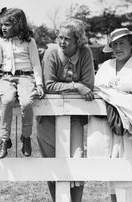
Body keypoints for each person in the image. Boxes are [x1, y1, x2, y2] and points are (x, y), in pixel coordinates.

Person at [87, 28, 132, 202]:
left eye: (122, 43)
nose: (118, 48)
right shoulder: (106, 66)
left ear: (131, 44)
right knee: (111, 172)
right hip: (107, 124)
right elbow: (97, 87)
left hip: (127, 124)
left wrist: (128, 86)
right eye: (114, 44)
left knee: (128, 171)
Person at [37, 20, 95, 202]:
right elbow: (48, 85)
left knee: (77, 161)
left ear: (78, 40)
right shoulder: (51, 53)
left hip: (75, 117)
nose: (62, 41)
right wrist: (75, 86)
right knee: (53, 165)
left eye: (67, 38)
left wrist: (79, 86)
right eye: (60, 37)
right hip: (47, 118)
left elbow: (89, 85)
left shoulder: (85, 53)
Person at [0, 7, 44, 159]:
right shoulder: (0, 42)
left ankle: (26, 137)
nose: (3, 28)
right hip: (6, 78)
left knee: (26, 102)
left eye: (7, 24)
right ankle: (4, 139)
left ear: (18, 24)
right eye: (2, 25)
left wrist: (39, 84)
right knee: (6, 100)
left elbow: (36, 64)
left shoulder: (29, 41)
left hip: (25, 77)